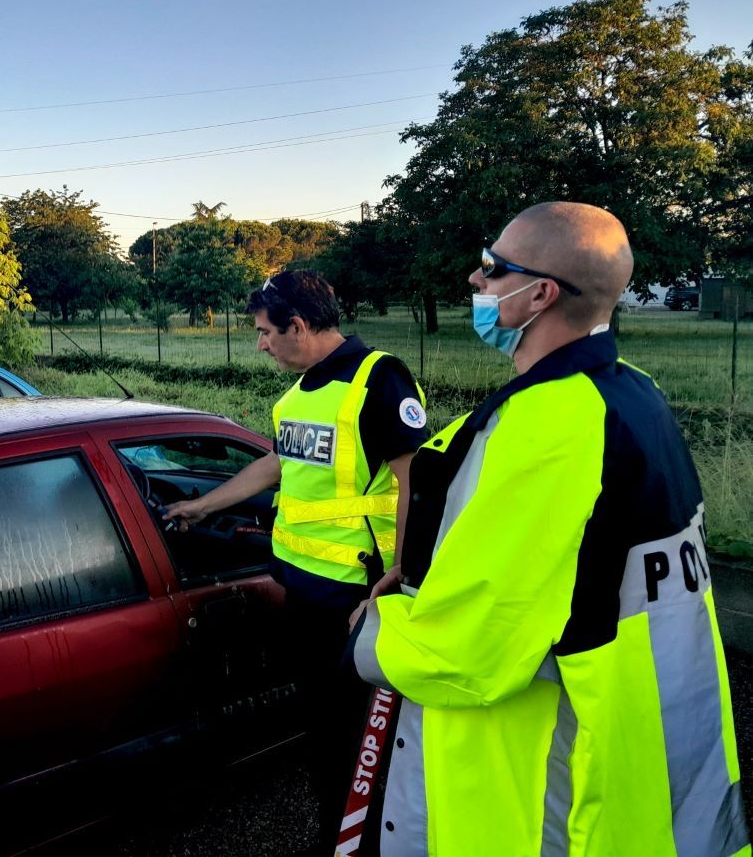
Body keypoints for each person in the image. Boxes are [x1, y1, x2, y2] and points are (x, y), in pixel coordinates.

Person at [348, 202, 749, 856]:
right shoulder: (634, 394)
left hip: (549, 787)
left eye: (491, 268)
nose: (476, 283)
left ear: (539, 294)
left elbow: (468, 651)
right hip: (655, 762)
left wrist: (371, 632)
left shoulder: (546, 428)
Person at [162, 270, 429, 856]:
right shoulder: (299, 394)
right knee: (323, 732)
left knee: (359, 743)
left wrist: (402, 575)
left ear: (299, 325)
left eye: (264, 332)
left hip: (357, 597)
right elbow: (276, 466)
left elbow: (416, 482)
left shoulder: (377, 379)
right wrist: (203, 506)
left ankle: (360, 842)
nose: (259, 343)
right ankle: (336, 833)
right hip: (301, 590)